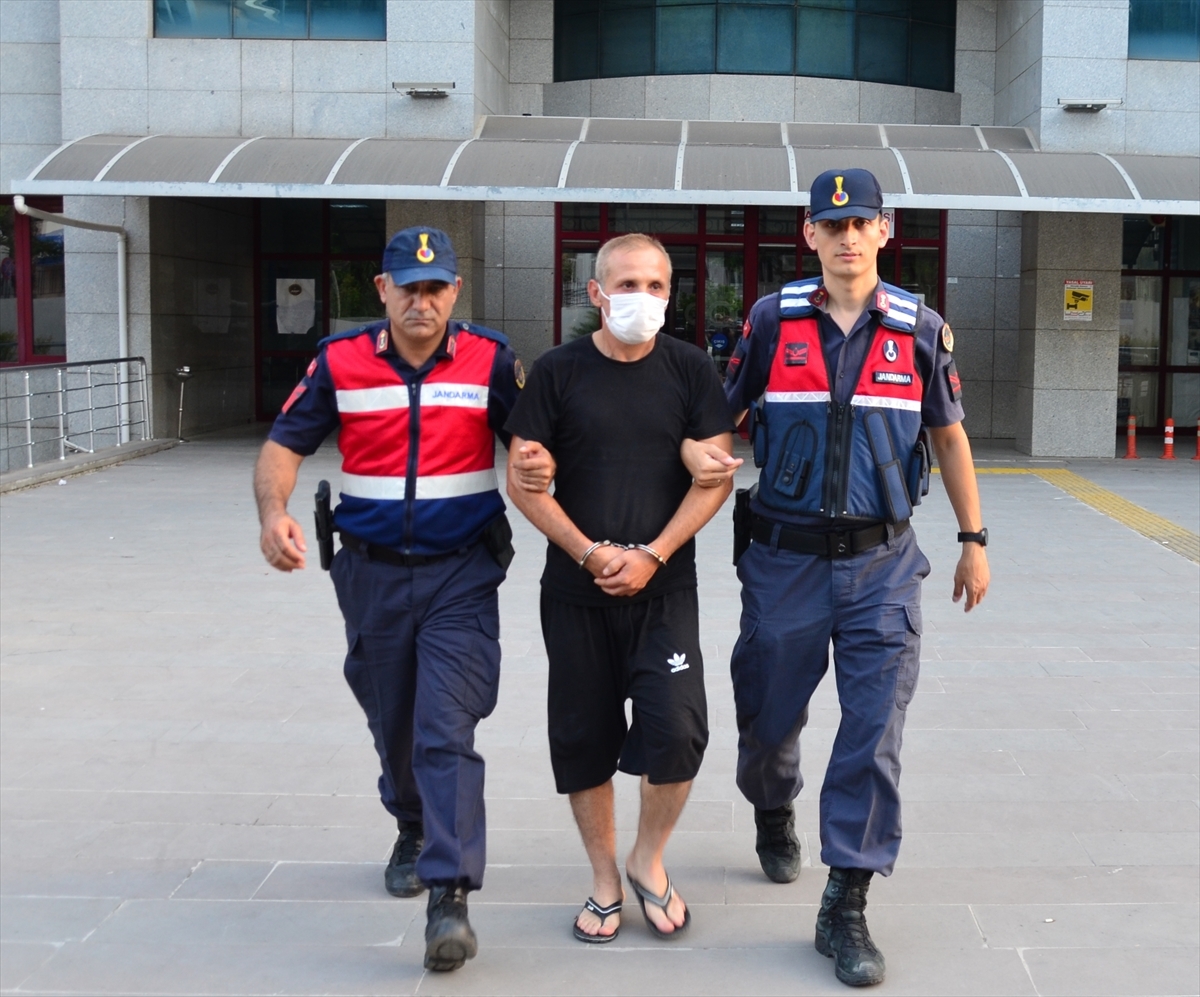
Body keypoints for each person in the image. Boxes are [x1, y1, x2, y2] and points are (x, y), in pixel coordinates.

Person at [683, 169, 991, 987]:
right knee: (767, 718)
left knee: (873, 731)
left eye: (862, 222)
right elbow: (722, 415)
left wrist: (974, 537)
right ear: (809, 233)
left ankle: (846, 900)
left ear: (885, 231)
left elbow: (951, 438)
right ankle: (772, 802)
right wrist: (695, 464)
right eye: (832, 223)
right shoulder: (771, 319)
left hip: (884, 564)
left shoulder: (920, 329)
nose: (848, 237)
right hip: (783, 561)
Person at [253, 226, 548, 973]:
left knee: (444, 724)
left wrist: (540, 461)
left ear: (455, 291)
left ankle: (448, 891)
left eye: (437, 287)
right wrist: (272, 513)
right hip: (372, 574)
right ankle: (411, 821)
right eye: (408, 287)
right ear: (381, 290)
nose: (424, 301)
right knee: (393, 721)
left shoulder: (490, 359)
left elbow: (531, 442)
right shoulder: (340, 362)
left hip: (460, 572)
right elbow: (284, 446)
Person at [504, 233, 735, 944]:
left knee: (678, 731)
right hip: (575, 593)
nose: (642, 297)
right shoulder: (556, 372)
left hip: (664, 590)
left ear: (672, 294)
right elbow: (525, 478)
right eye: (626, 284)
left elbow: (715, 477)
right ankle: (605, 878)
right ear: (596, 293)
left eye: (656, 285)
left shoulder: (692, 370)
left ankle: (648, 856)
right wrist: (590, 552)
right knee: (584, 739)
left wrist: (654, 555)